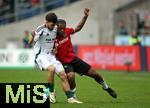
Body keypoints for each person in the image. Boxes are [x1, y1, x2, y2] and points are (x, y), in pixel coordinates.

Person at [53, 8, 117, 102]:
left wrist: (85, 16)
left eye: (64, 28)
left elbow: (78, 28)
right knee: (70, 76)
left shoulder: (67, 31)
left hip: (74, 59)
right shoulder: (52, 37)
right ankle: (73, 96)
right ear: (56, 28)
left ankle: (106, 87)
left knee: (95, 74)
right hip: (64, 62)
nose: (63, 30)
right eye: (60, 28)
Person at [31, 12, 82, 104]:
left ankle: (70, 98)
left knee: (63, 75)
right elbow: (33, 41)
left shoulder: (55, 28)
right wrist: (32, 36)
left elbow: (61, 36)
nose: (53, 26)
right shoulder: (40, 29)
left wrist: (55, 47)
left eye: (54, 25)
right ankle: (50, 92)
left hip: (51, 56)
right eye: (51, 24)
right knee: (51, 69)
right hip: (41, 56)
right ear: (46, 22)